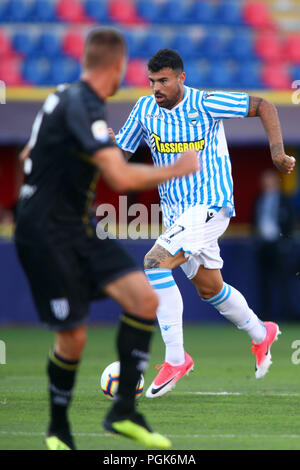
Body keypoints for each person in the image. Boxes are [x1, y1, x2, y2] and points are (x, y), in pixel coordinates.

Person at [14, 32, 199, 450]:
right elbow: (119, 178)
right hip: (43, 232)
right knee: (72, 337)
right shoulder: (82, 104)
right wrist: (177, 169)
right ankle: (58, 431)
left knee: (143, 298)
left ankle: (123, 412)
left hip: (74, 225)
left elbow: (27, 154)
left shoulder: (65, 98)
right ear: (116, 67)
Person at [110, 48, 296, 398]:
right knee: (210, 289)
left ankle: (176, 359)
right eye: (152, 81)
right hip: (177, 215)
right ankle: (261, 333)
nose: (156, 88)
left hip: (211, 204)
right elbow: (122, 154)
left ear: (181, 78)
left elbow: (264, 106)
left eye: (163, 80)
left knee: (154, 263)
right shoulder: (145, 110)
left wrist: (276, 152)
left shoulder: (206, 103)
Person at [254, 168, 295, 320]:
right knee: (264, 283)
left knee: (284, 282)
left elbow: (290, 221)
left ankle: (289, 315)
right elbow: (255, 222)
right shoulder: (259, 199)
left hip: (279, 246)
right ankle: (266, 316)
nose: (266, 183)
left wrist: (285, 242)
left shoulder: (284, 199)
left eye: (269, 179)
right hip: (264, 246)